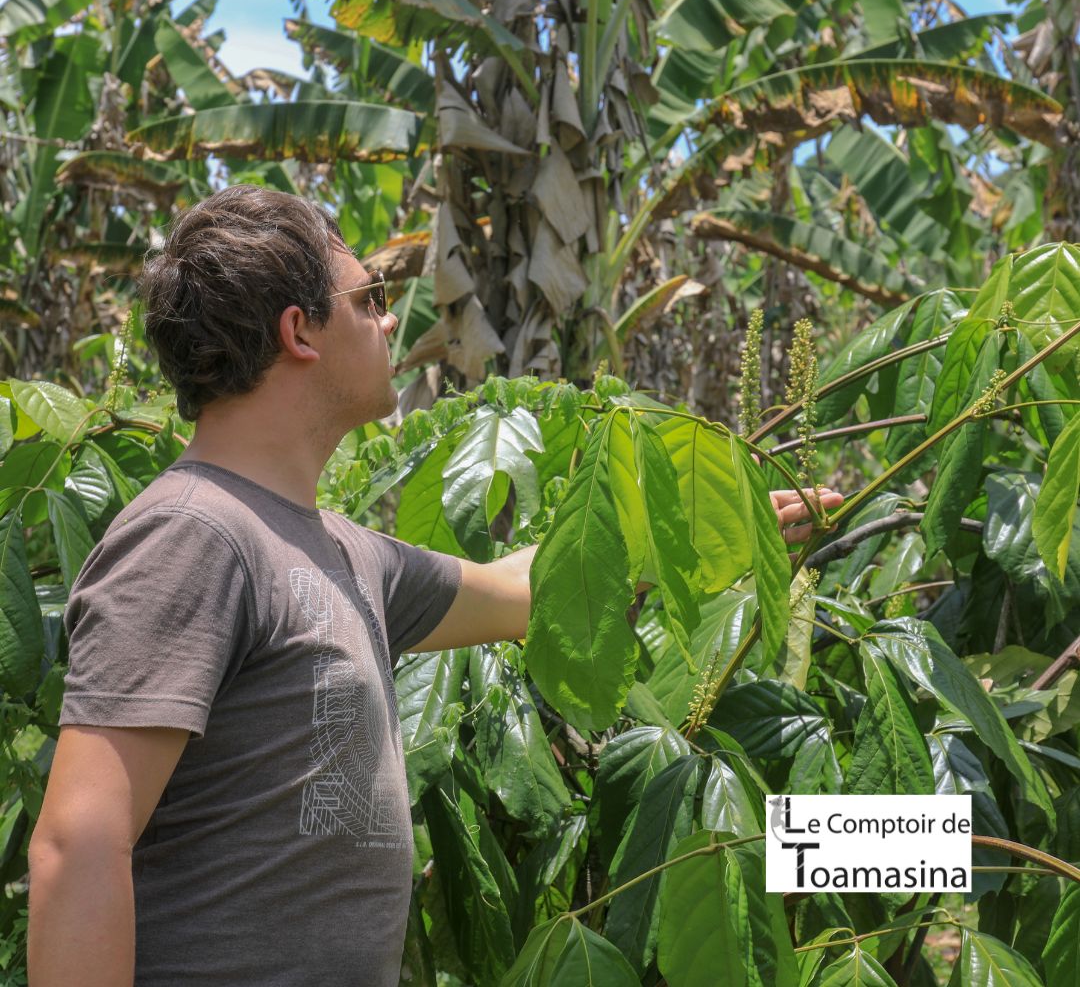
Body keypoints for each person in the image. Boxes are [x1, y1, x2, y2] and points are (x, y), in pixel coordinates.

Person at [26, 185, 842, 986]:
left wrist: (710, 530)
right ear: (298, 330)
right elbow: (81, 842)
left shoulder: (344, 552)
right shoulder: (193, 535)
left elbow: (523, 591)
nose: (390, 320)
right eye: (370, 297)